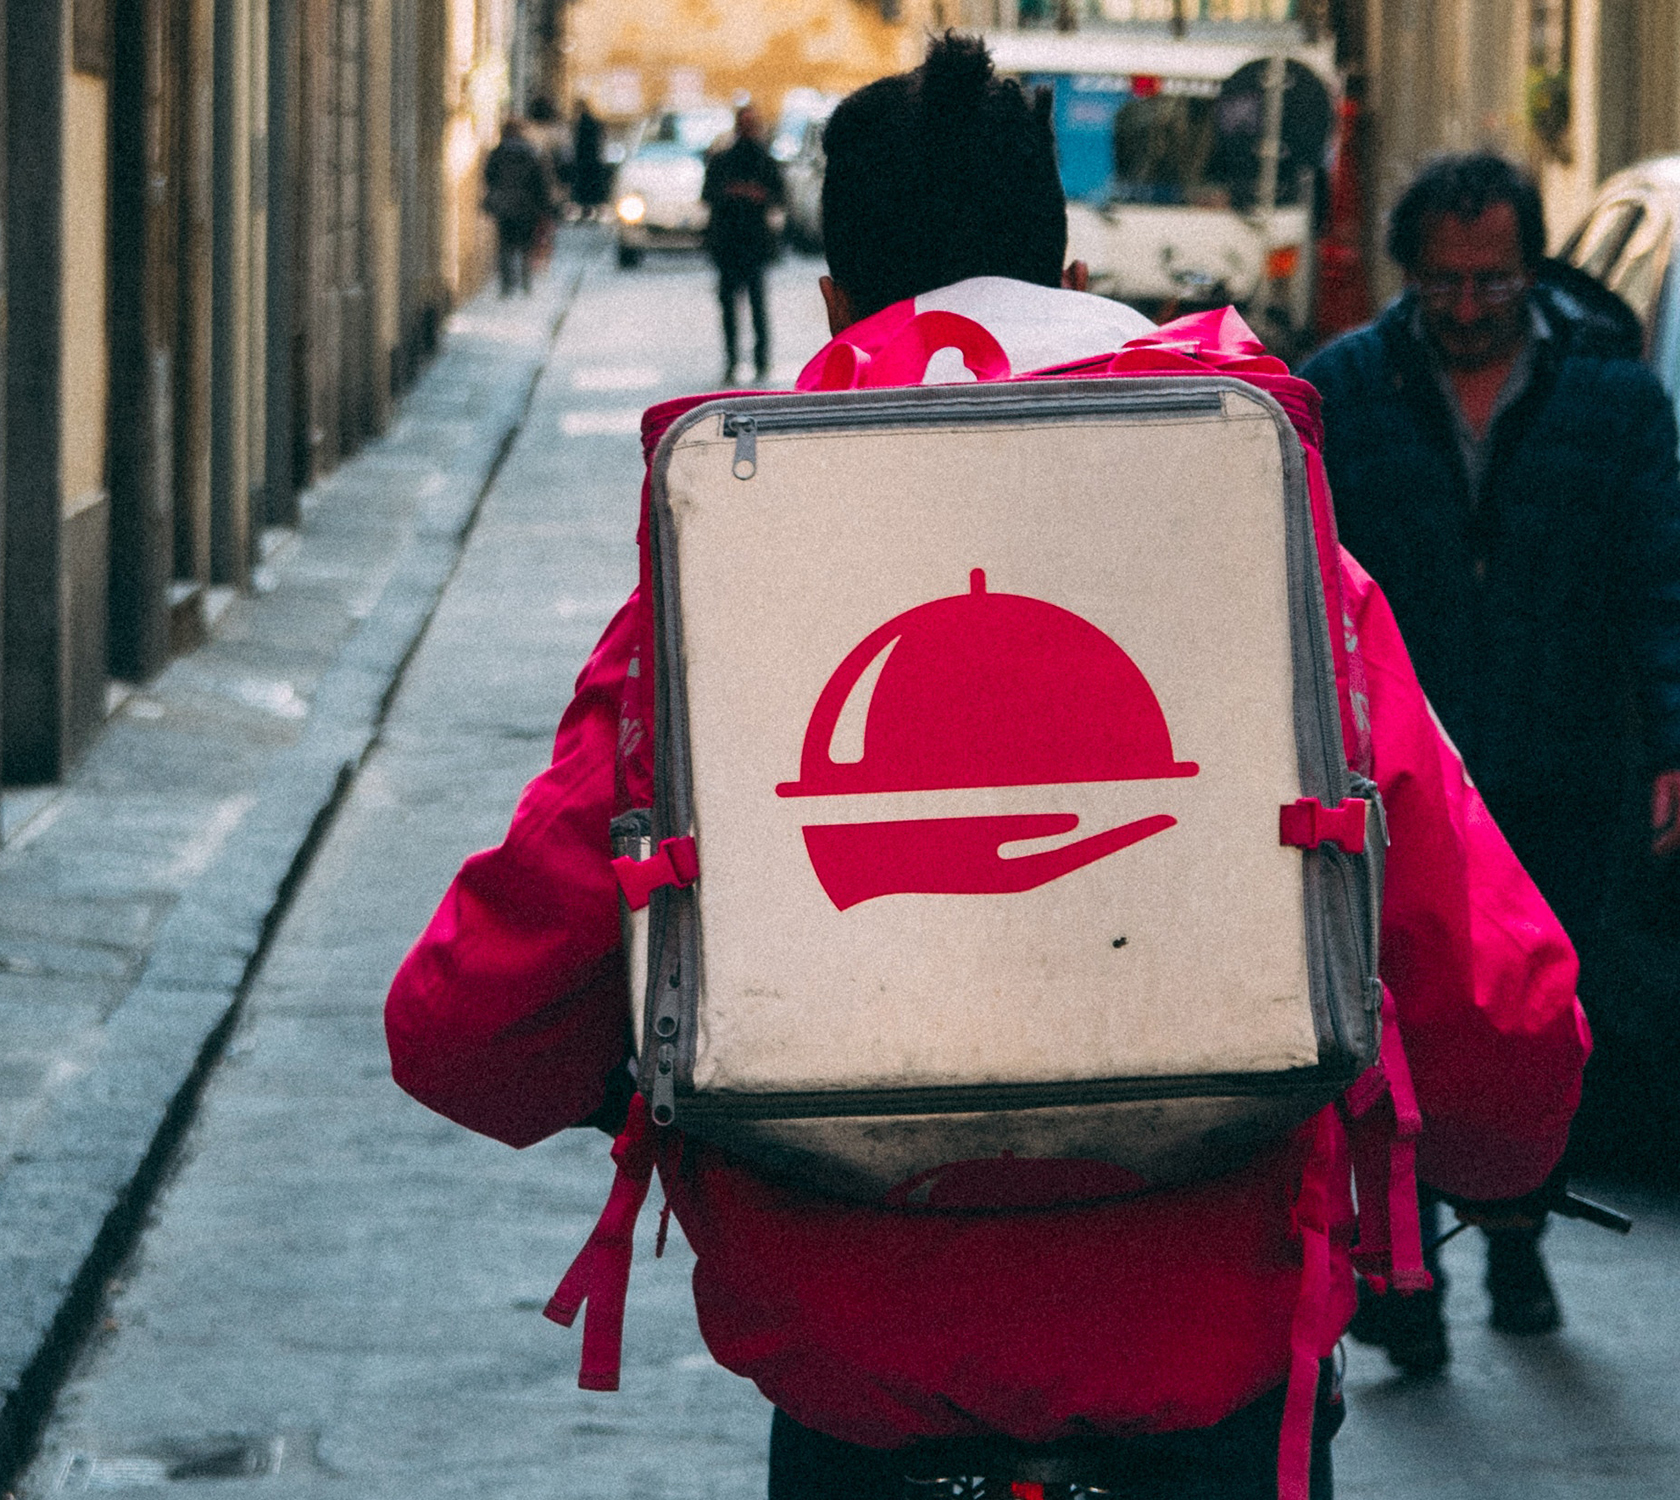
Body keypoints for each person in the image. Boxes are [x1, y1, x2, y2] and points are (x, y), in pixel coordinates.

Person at [385, 34, 1588, 1500]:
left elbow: (464, 1026)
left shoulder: (727, 573)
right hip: (1206, 1392)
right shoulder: (1260, 537)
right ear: (1072, 287)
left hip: (864, 1397)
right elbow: (1487, 984)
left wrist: (621, 1072)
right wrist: (1498, 1150)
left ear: (833, 302)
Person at [1298, 151, 1680, 1377]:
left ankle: (1520, 1234)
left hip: (1564, 764)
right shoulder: (1345, 395)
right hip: (1405, 784)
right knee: (1406, 1030)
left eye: (1492, 282)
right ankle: (1408, 1278)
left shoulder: (1614, 401)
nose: (1471, 308)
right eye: (1445, 285)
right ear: (1409, 276)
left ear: (1530, 271)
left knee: (1541, 1024)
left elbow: (1660, 583)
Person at [701, 104, 789, 382]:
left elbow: (779, 195)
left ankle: (761, 360)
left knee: (757, 304)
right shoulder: (722, 159)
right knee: (729, 305)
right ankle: (732, 360)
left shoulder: (765, 160)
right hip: (728, 240)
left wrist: (757, 195)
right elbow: (708, 194)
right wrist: (733, 193)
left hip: (754, 242)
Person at [482, 117, 556, 296]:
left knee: (505, 245)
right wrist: (545, 207)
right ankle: (525, 283)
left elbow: (489, 176)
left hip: (505, 206)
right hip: (526, 206)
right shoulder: (530, 153)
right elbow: (540, 182)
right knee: (525, 245)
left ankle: (506, 285)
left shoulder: (497, 153)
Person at [563, 101, 611, 221]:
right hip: (593, 162)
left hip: (582, 163)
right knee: (593, 192)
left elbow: (574, 145)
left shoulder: (578, 124)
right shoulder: (595, 123)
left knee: (583, 192)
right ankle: (594, 214)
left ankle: (584, 215)